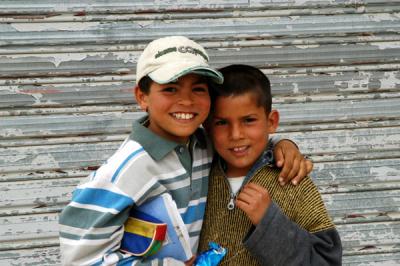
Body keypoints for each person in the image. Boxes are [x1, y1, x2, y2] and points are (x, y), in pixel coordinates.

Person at [58, 36, 312, 266]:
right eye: (170, 88)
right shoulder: (124, 171)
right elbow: (80, 261)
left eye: (198, 89)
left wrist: (282, 145)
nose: (187, 101)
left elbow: (243, 142)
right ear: (142, 96)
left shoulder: (202, 145)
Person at [199, 64, 342, 265]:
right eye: (222, 122)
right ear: (207, 126)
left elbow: (327, 260)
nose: (236, 135)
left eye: (248, 120)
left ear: (271, 121)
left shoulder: (292, 181)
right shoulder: (198, 175)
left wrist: (269, 221)